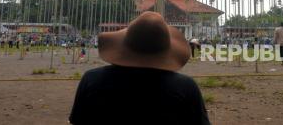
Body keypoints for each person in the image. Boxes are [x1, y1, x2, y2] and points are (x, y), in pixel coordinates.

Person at [70, 11, 210, 125]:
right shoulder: (186, 87)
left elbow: (77, 120)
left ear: (123, 44)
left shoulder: (92, 79)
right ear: (167, 51)